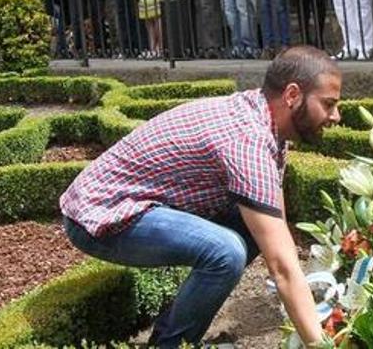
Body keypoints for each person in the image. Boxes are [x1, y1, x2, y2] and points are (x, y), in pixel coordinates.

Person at [60, 45, 339, 349]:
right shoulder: (248, 139)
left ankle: (172, 333)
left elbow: (277, 226)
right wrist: (320, 344)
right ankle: (171, 345)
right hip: (101, 213)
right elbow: (281, 267)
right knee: (226, 252)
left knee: (252, 229)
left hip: (135, 203)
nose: (335, 116)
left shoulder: (266, 123)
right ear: (292, 95)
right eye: (328, 104)